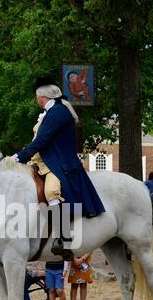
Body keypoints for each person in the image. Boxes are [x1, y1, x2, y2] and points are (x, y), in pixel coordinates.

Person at [12, 77, 105, 260]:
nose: (36, 100)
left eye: (36, 97)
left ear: (42, 97)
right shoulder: (50, 113)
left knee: (51, 191)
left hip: (58, 162)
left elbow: (42, 141)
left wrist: (19, 156)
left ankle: (64, 237)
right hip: (41, 161)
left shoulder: (58, 113)